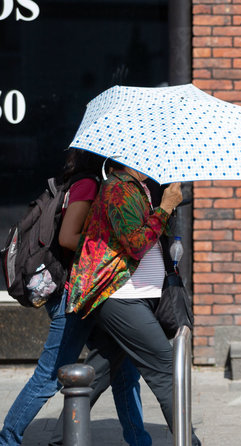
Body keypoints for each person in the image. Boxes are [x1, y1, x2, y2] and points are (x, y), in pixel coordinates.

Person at [0, 149, 150, 446]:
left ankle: (139, 440)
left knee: (124, 369)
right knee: (49, 376)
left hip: (88, 293)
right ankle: (8, 439)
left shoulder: (86, 183)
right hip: (72, 295)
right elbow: (68, 238)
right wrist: (106, 241)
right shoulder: (88, 185)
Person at [65, 163, 201, 445]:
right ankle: (190, 442)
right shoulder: (118, 189)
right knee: (165, 369)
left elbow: (143, 235)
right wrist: (164, 208)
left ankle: (59, 439)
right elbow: (137, 243)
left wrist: (166, 210)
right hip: (121, 297)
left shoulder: (136, 189)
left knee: (95, 376)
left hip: (131, 296)